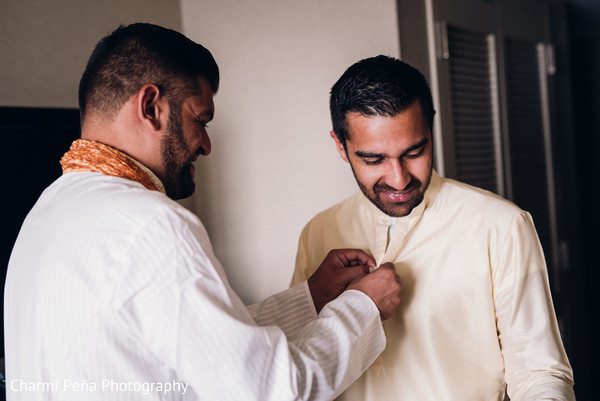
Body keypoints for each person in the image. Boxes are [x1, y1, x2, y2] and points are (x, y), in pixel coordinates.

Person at [3, 24, 403, 401]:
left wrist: (312, 298)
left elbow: (198, 347)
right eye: (201, 120)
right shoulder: (152, 225)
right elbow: (271, 391)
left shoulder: (46, 214)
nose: (207, 145)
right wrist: (363, 307)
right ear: (151, 107)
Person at [291, 55, 575, 400]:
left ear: (431, 129)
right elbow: (299, 360)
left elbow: (539, 372)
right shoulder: (318, 232)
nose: (399, 179)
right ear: (341, 146)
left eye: (414, 152)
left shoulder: (501, 226)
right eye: (374, 159)